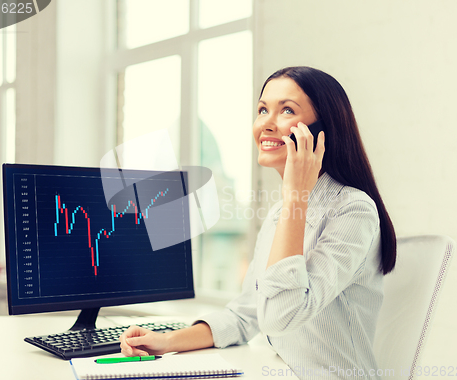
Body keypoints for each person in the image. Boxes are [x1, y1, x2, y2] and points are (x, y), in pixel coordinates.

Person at [119, 66, 397, 379]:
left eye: (287, 110)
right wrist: (167, 341)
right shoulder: (280, 214)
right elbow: (246, 313)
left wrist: (295, 197)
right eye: (262, 109)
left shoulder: (353, 210)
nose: (266, 123)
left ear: (322, 131)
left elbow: (281, 316)